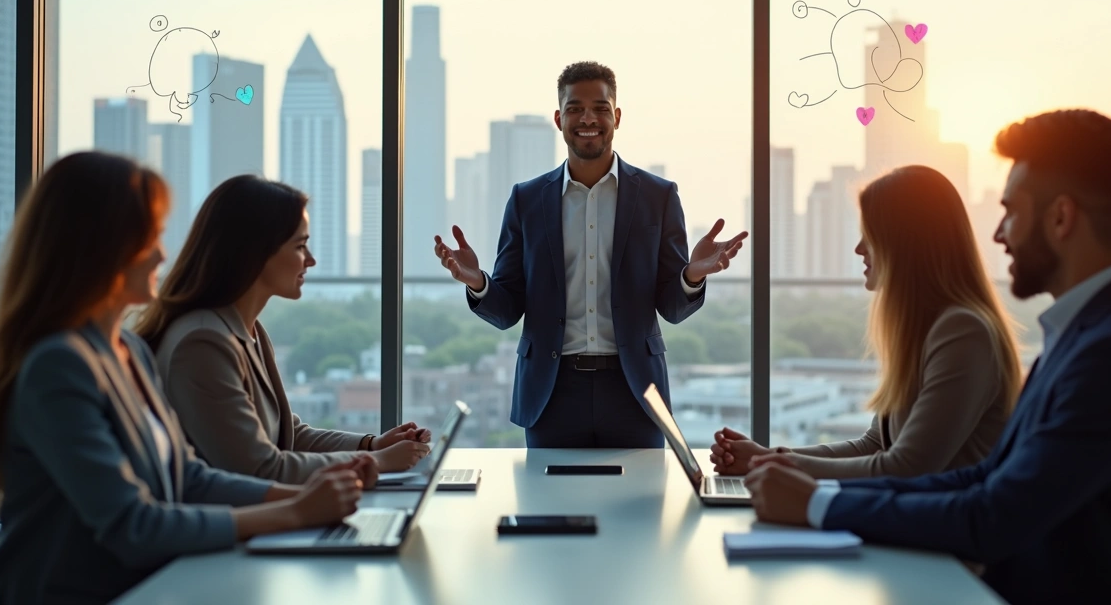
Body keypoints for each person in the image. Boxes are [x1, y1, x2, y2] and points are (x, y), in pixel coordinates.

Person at [744, 109, 1111, 604]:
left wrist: (818, 505)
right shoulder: (1088, 336)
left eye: (1011, 211)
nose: (1000, 233)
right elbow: (984, 478)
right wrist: (810, 488)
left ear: (1061, 218)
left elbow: (994, 516)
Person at [0, 152, 366, 605]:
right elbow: (135, 526)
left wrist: (308, 497)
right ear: (98, 247)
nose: (163, 252)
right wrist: (294, 512)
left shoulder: (130, 352)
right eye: (148, 238)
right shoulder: (58, 367)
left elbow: (189, 479)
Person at [435, 61, 747, 448]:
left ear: (616, 116)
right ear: (558, 117)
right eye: (575, 108)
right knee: (549, 507)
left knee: (641, 506)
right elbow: (507, 310)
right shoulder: (526, 200)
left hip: (635, 391)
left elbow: (672, 308)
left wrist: (691, 277)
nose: (588, 118)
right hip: (551, 391)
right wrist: (479, 283)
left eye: (600, 108)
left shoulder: (658, 196)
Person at [711, 166, 1021, 479]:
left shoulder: (963, 333)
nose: (859, 248)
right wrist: (769, 457)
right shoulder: (926, 329)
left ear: (906, 242)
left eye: (870, 235)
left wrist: (770, 464)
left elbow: (906, 467)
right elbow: (875, 445)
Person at [136, 176, 431, 485]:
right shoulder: (202, 344)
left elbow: (288, 435)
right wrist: (376, 461)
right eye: (300, 246)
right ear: (254, 252)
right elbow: (261, 468)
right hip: (239, 527)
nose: (311, 260)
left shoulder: (248, 331)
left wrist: (371, 444)